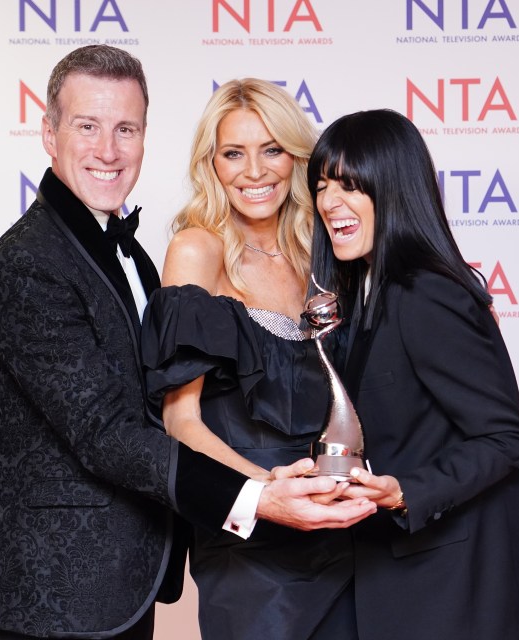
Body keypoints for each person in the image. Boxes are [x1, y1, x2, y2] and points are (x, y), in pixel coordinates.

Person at [0, 46, 375, 640]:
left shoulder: (128, 253)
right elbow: (108, 432)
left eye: (126, 129)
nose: (108, 150)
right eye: (87, 126)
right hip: (54, 591)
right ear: (49, 135)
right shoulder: (28, 262)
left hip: (124, 579)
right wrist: (255, 494)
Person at [308, 109, 519, 640]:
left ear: (395, 189)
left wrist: (405, 490)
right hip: (399, 581)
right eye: (321, 185)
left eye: (351, 185)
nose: (330, 202)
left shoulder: (425, 294)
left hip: (453, 593)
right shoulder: (363, 299)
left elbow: (503, 439)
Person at [140, 78, 357, 640]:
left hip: (343, 527)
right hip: (254, 542)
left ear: (297, 157)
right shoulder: (197, 250)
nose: (254, 172)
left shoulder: (324, 249)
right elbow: (179, 422)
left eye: (272, 150)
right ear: (210, 164)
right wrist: (269, 493)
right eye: (234, 153)